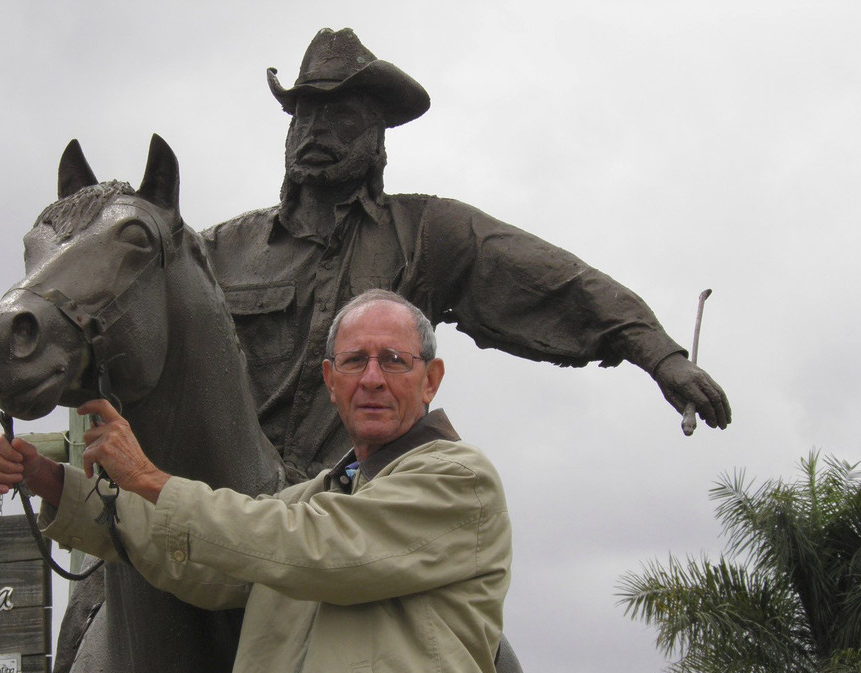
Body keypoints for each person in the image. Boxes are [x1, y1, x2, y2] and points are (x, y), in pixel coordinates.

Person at [0, 290, 512, 673]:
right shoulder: (314, 499)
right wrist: (52, 482)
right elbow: (202, 557)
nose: (372, 378)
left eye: (393, 360)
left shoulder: (459, 480)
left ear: (431, 379)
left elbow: (311, 545)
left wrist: (148, 478)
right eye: (354, 361)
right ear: (330, 381)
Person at [203, 27, 731, 483]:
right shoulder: (216, 251)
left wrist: (658, 354)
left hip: (355, 511)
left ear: (377, 138)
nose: (317, 131)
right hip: (222, 512)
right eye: (305, 115)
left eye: (341, 117)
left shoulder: (427, 234)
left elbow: (557, 280)